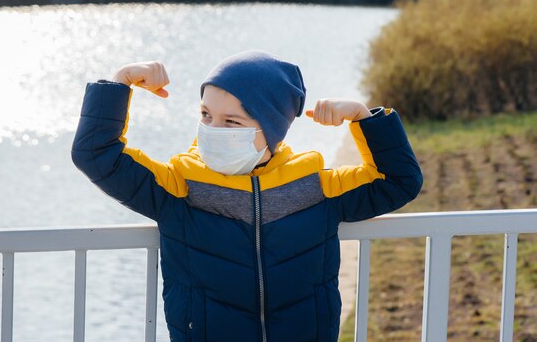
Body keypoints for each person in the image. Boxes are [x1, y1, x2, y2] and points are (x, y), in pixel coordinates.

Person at [71, 50, 423, 342]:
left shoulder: (316, 186)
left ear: (271, 130)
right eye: (206, 115)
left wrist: (363, 118)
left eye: (232, 122)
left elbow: (398, 180)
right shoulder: (178, 187)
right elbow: (96, 154)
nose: (212, 130)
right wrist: (121, 81)